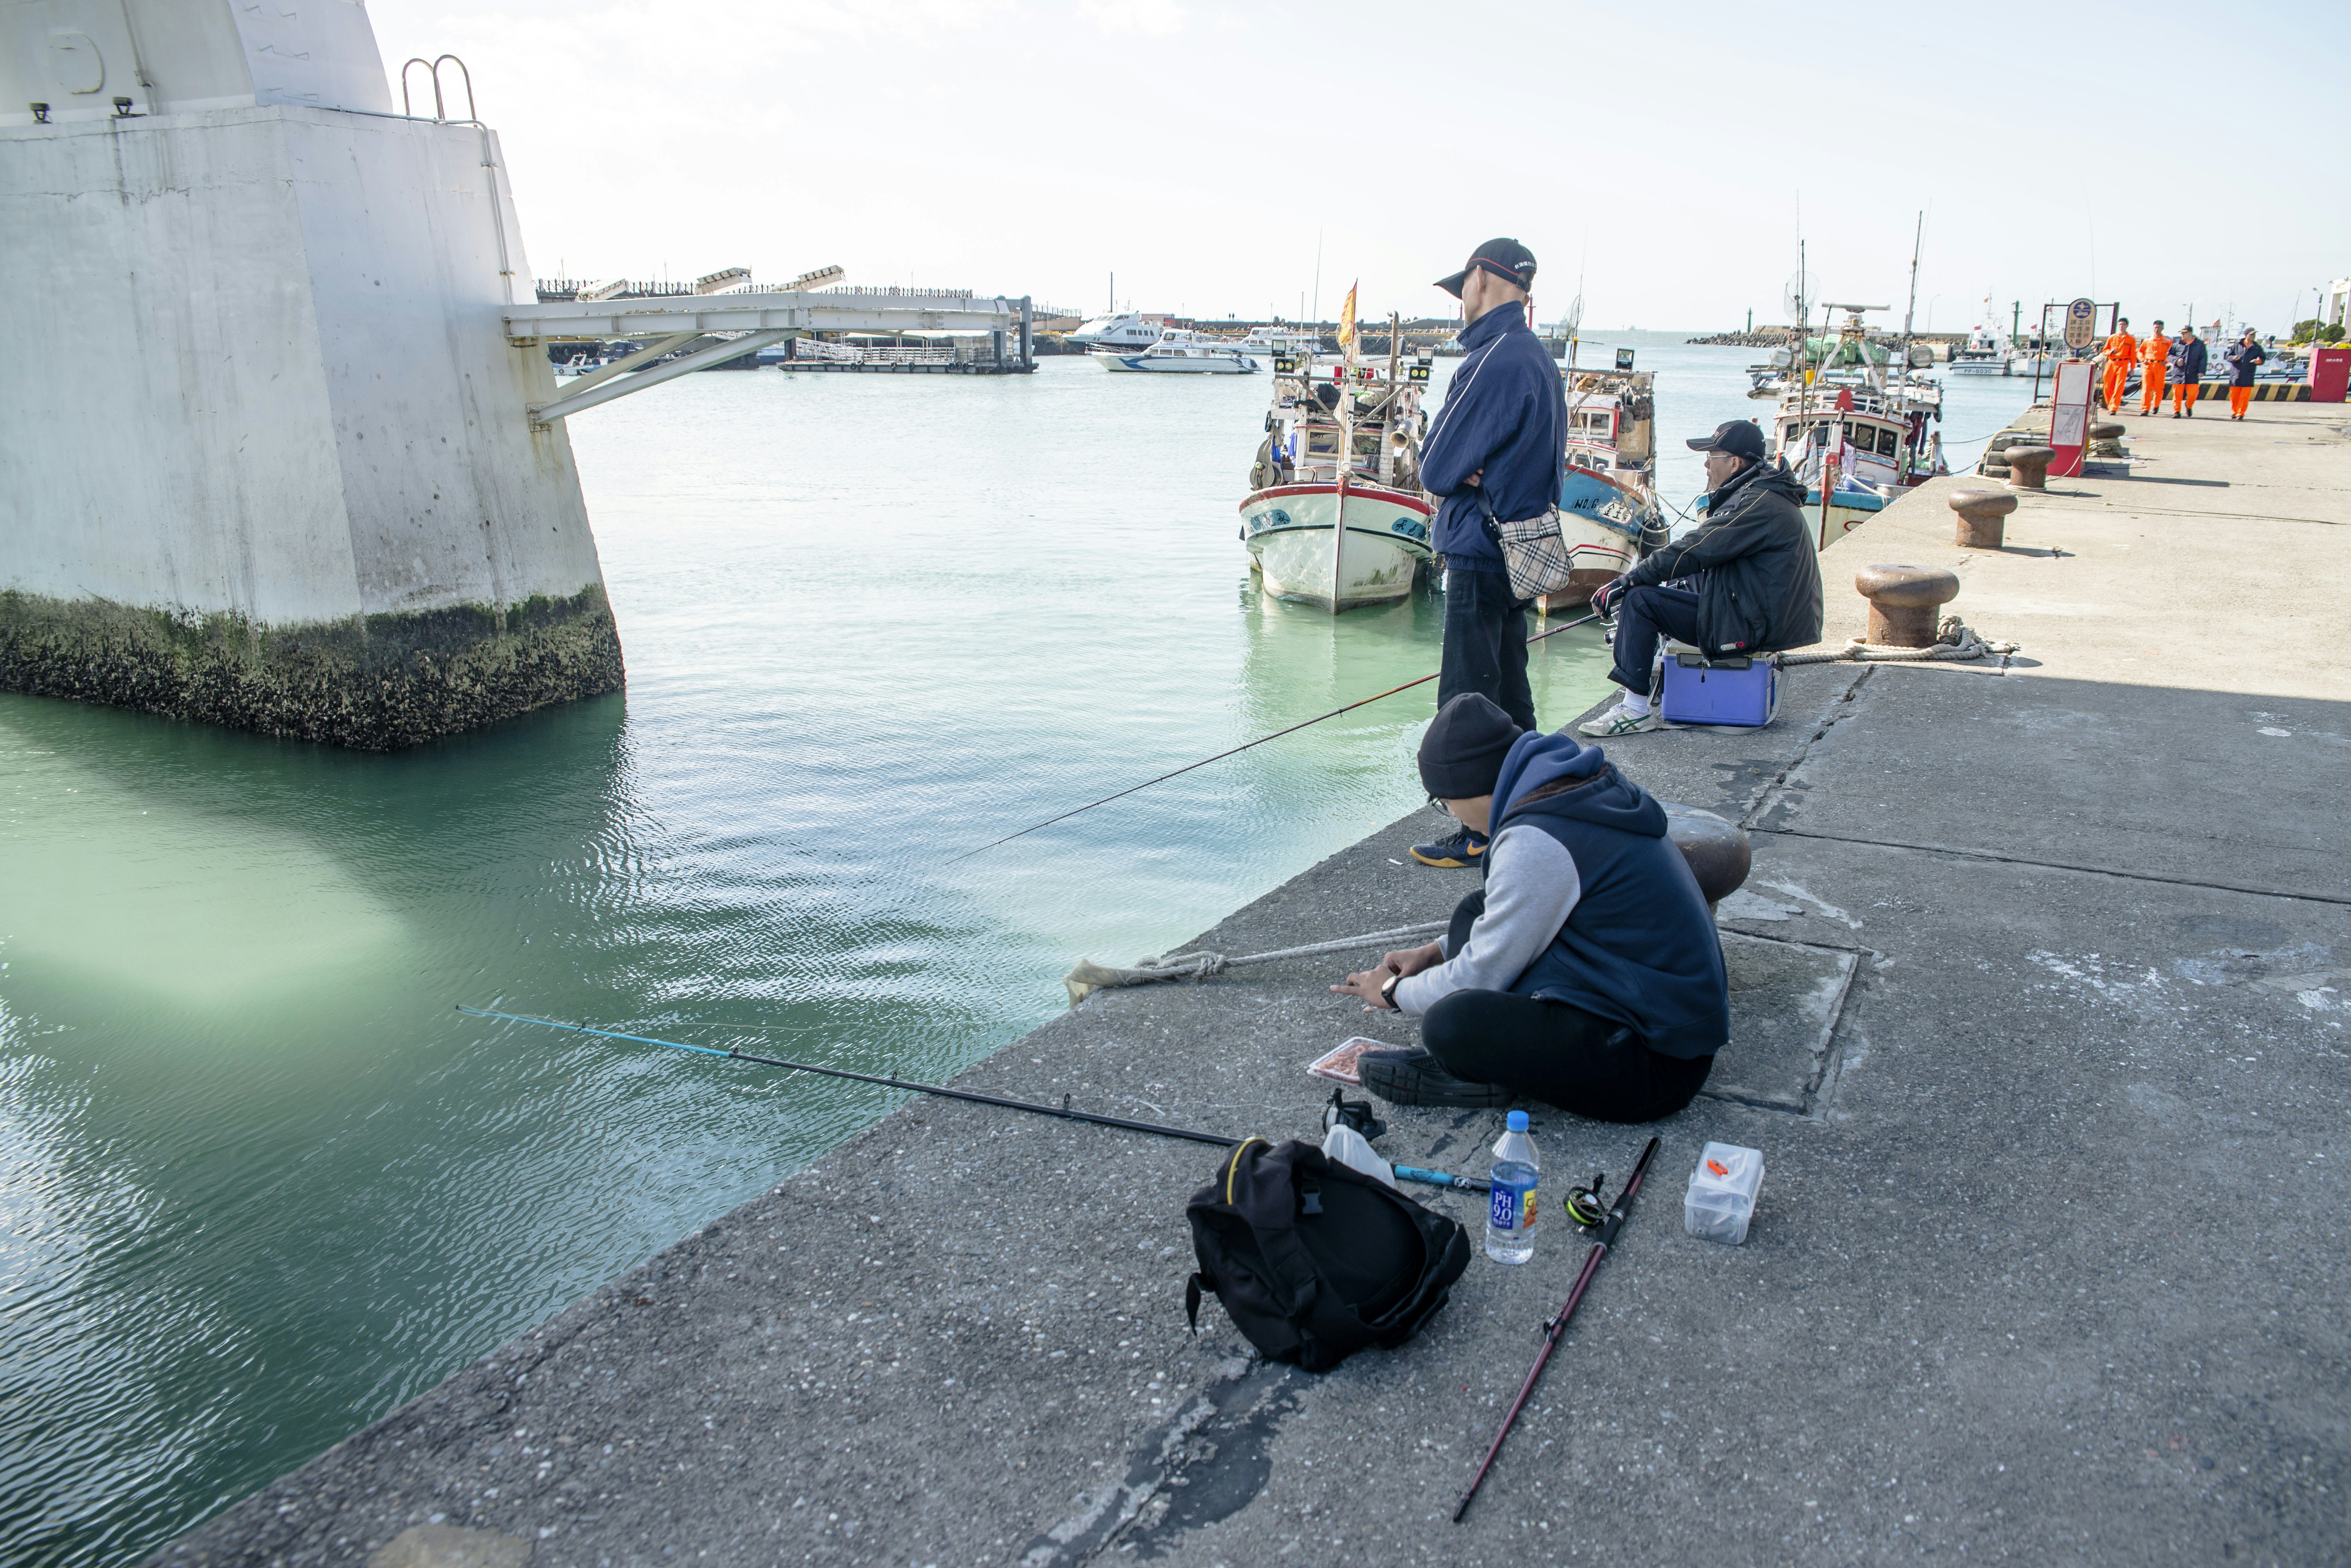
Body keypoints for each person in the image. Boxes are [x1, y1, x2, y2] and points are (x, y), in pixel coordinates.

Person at [1332, 694, 1727, 1117]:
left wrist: (1392, 993)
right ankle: (1495, 1069)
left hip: (1657, 1062)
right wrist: (1435, 952)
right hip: (1647, 1005)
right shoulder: (1565, 788)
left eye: (1443, 802)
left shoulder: (1537, 839)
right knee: (1474, 912)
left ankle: (1477, 1072)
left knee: (1450, 1023)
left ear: (1469, 786)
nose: (1453, 816)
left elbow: (1479, 974)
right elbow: (1518, 914)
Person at [1408, 238, 1563, 869]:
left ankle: (1478, 831)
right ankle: (1532, 804)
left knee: (1469, 697)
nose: (1459, 302)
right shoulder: (1535, 357)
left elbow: (1436, 465)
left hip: (1480, 548)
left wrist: (1465, 472)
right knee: (1510, 691)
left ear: (1482, 280)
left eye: (1461, 288)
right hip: (1518, 547)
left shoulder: (1492, 359)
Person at [1574, 420, 1822, 737]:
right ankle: (1648, 672)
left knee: (1641, 600)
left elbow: (1696, 548)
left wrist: (1627, 581)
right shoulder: (1761, 492)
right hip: (1760, 611)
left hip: (1757, 624)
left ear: (1734, 463)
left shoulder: (1757, 504)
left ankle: (1635, 710)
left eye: (1712, 456)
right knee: (1676, 583)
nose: (1706, 464)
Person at [2225, 329, 2266, 419]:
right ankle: (2235, 412)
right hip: (2235, 375)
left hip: (2248, 375)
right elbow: (2228, 357)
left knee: (2244, 397)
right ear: (2246, 335)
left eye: (2255, 334)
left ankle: (2241, 413)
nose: (2253, 336)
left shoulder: (2257, 348)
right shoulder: (2237, 346)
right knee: (2234, 397)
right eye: (2251, 334)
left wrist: (2258, 361)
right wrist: (2234, 358)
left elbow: (2263, 359)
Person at [2099, 317, 2138, 412]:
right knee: (2108, 386)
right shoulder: (2112, 337)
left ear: (2127, 326)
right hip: (2112, 362)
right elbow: (2105, 350)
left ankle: (2114, 408)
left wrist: (2133, 368)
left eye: (2124, 325)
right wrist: (2110, 351)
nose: (2121, 326)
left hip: (2124, 363)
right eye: (2120, 325)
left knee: (2120, 386)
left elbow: (2133, 355)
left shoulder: (2131, 339)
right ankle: (2110, 404)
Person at [2169, 327, 2208, 417]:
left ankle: (2189, 405)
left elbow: (2203, 358)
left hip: (2193, 374)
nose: (2182, 335)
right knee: (2177, 395)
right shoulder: (2177, 344)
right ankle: (2177, 412)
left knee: (2194, 393)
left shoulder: (2200, 345)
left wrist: (2202, 371)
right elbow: (2169, 355)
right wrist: (2176, 360)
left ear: (2190, 333)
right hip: (2178, 374)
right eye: (2181, 333)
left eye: (2184, 333)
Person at [2137, 320, 2172, 415]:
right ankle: (2145, 409)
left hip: (2161, 366)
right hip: (2148, 365)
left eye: (2159, 327)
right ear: (2153, 328)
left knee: (2158, 388)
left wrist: (2167, 361)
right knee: (2146, 388)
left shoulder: (2168, 340)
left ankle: (2156, 406)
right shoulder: (2148, 340)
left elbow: (2173, 352)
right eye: (2156, 327)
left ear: (2163, 328)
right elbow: (2140, 351)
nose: (2157, 329)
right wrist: (2143, 359)